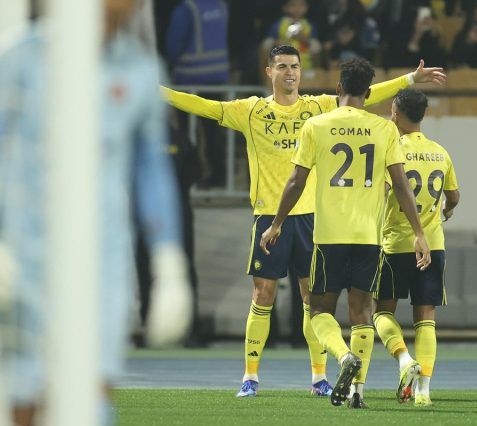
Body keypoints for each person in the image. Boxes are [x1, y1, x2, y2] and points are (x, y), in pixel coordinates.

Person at [161, 45, 446, 398]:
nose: (290, 72)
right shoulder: (250, 110)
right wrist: (159, 93)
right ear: (269, 72)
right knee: (263, 294)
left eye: (295, 66)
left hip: (312, 218)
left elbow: (365, 92)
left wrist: (410, 79)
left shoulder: (317, 109)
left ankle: (319, 377)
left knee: (312, 300)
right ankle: (250, 376)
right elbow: (203, 105)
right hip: (271, 215)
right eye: (282, 66)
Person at [0, 1, 192, 424]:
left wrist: (168, 259)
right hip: (24, 255)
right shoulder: (19, 60)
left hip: (101, 257)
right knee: (26, 397)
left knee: (94, 392)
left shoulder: (140, 70)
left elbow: (151, 169)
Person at [260, 58, 432, 409]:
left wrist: (276, 223)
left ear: (338, 88)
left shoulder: (316, 125)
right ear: (368, 93)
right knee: (362, 312)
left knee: (318, 310)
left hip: (329, 236)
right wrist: (419, 232)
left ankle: (341, 356)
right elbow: (401, 185)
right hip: (368, 237)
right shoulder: (384, 129)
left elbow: (296, 182)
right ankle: (357, 393)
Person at [373, 89, 459, 408]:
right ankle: (423, 390)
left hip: (396, 244)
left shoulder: (392, 151)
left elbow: (383, 191)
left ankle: (405, 359)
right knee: (425, 317)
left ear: (395, 113)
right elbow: (454, 195)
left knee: (382, 312)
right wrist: (447, 209)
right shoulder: (440, 152)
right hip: (433, 245)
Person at [165, 0, 229, 188]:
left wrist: (169, 67)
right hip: (217, 75)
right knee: (213, 129)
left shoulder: (186, 9)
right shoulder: (220, 6)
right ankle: (219, 174)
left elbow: (174, 43)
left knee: (186, 129)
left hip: (189, 76)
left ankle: (189, 172)